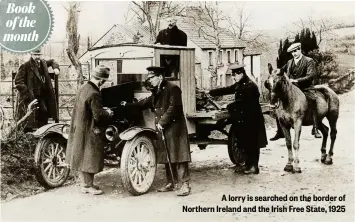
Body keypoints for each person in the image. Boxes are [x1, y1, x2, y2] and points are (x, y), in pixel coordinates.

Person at [121, 66, 191, 196]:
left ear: (160, 77)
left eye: (152, 77)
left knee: (179, 155)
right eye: (149, 78)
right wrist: (128, 105)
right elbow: (146, 102)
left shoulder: (173, 88)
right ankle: (171, 183)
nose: (150, 80)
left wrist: (162, 122)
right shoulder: (157, 91)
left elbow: (174, 108)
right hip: (163, 127)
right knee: (167, 154)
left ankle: (185, 185)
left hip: (175, 128)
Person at [208, 63, 268, 174]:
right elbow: (228, 89)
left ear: (240, 74)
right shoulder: (241, 84)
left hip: (252, 120)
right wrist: (210, 92)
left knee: (252, 143)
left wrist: (227, 106)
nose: (233, 77)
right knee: (245, 142)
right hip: (244, 119)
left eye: (234, 75)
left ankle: (254, 167)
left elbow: (243, 103)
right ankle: (247, 165)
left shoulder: (250, 86)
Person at [65, 65, 113, 195]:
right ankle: (87, 186)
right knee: (90, 157)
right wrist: (108, 113)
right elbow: (98, 116)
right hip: (90, 129)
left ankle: (85, 184)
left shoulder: (83, 88)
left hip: (79, 127)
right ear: (101, 80)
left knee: (82, 156)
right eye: (104, 81)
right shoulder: (95, 93)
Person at [270, 42, 321, 141]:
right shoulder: (290, 62)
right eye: (292, 52)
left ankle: (315, 127)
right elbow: (282, 72)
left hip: (305, 87)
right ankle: (280, 131)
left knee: (312, 99)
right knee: (279, 102)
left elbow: (310, 76)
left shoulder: (309, 61)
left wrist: (296, 80)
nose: (294, 53)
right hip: (292, 88)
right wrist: (274, 73)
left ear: (300, 49)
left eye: (296, 51)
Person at [14, 48, 60, 132]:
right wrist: (27, 92)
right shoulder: (26, 65)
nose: (37, 57)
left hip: (41, 96)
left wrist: (56, 68)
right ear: (31, 55)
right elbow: (18, 82)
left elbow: (53, 61)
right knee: (29, 118)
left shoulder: (44, 63)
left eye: (39, 55)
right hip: (30, 97)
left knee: (44, 112)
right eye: (35, 55)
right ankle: (27, 135)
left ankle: (42, 133)